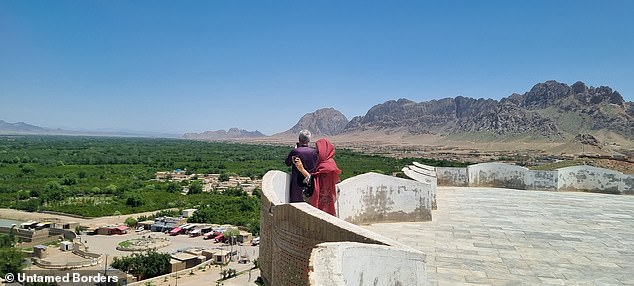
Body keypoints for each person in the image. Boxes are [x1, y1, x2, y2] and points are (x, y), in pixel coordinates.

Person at [293, 138, 341, 216]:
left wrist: (302, 169)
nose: (317, 154)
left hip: (323, 207)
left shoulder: (326, 167)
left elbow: (315, 184)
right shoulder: (328, 163)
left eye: (318, 152)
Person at [285, 130, 317, 203]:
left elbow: (288, 163)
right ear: (309, 140)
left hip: (298, 184)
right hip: (312, 183)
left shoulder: (296, 152)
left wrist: (295, 150)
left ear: (299, 139)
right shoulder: (315, 152)